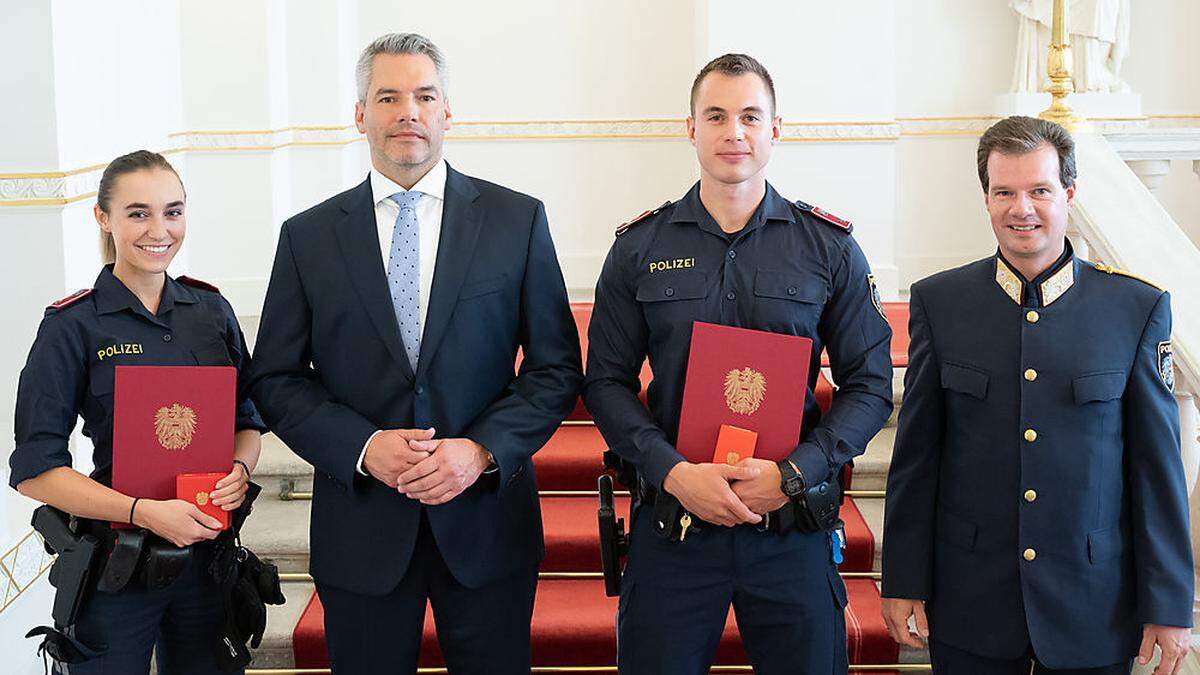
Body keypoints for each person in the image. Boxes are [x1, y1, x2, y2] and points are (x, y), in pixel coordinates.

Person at [248, 33, 582, 673]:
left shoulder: (517, 220)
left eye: (425, 96)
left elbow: (555, 367)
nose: (408, 112)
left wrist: (481, 451)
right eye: (389, 97)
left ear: (447, 111)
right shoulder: (308, 237)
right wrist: (363, 447)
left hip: (486, 524)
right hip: (363, 529)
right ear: (360, 115)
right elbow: (277, 378)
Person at [582, 53, 893, 674]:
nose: (735, 132)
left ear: (775, 129)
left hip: (790, 525)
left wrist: (796, 473)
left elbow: (871, 385)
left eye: (751, 116)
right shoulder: (639, 247)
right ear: (690, 128)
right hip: (673, 525)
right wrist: (671, 472)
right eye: (716, 116)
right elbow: (605, 382)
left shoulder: (827, 246)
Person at [880, 115, 1193, 675]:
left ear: (1068, 194)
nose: (1021, 208)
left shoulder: (1134, 309)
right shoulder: (942, 303)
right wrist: (903, 580)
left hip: (1093, 604)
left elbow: (1156, 470)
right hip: (970, 599)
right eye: (1005, 192)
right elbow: (916, 461)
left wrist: (1168, 604)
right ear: (986, 198)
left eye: (1039, 191)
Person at [9, 149, 266, 674]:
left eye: (172, 211)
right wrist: (143, 512)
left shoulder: (211, 312)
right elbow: (35, 472)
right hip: (118, 563)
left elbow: (247, 420)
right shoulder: (71, 326)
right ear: (103, 218)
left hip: (208, 558)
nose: (159, 229)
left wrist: (239, 470)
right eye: (138, 212)